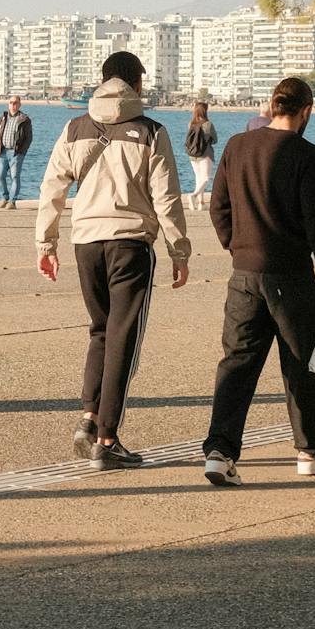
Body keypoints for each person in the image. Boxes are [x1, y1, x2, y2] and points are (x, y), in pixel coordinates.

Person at [35, 49, 190, 469]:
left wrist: (46, 245)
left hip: (85, 242)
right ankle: (108, 439)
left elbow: (52, 188)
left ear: (103, 81)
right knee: (125, 337)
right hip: (130, 243)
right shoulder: (152, 131)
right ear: (136, 83)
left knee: (100, 330)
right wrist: (179, 249)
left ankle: (88, 420)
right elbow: (167, 197)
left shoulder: (74, 128)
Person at [202, 74, 315, 485]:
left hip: (244, 276)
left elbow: (219, 208)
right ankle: (312, 451)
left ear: (271, 105)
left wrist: (237, 247)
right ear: (306, 112)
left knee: (237, 364)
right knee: (301, 364)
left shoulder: (236, 146)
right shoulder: (307, 154)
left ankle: (219, 452)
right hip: (292, 277)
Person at [0, 98, 34, 207]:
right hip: (2, 152)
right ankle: (4, 197)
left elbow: (28, 138)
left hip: (16, 153)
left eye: (15, 103)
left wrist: (22, 152)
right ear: (8, 104)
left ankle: (12, 201)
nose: (13, 105)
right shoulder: (2, 118)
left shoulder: (24, 119)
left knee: (14, 177)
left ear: (19, 105)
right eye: (11, 103)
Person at [184, 99, 218, 211]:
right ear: (205, 111)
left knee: (199, 178)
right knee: (206, 178)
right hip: (205, 154)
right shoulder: (208, 124)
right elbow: (215, 140)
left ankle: (201, 203)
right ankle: (193, 195)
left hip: (193, 155)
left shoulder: (191, 124)